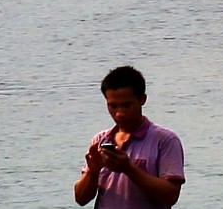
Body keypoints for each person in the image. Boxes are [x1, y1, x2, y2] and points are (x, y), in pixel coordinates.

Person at [76, 64, 184, 208]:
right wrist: (93, 172)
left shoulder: (165, 140)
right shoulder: (101, 141)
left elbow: (171, 195)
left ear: (142, 99)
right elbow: (81, 199)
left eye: (127, 105)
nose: (120, 113)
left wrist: (127, 168)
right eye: (113, 106)